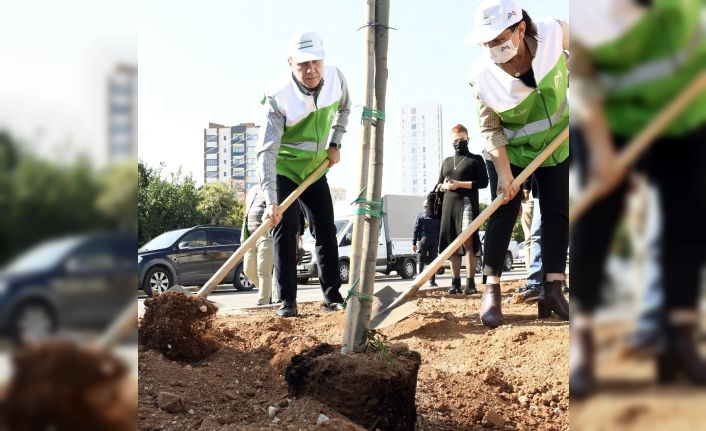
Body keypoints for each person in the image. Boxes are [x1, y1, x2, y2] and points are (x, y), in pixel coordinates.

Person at [570, 0, 706, 396]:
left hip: (683, 111)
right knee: (596, 220)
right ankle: (582, 341)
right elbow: (582, 77)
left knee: (688, 216)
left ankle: (678, 337)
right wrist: (601, 152)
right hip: (611, 118)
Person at [467, 0, 570, 328]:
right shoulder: (482, 77)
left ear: (520, 28)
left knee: (557, 210)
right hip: (508, 151)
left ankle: (552, 288)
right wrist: (504, 174)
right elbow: (489, 130)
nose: (492, 48)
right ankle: (491, 290)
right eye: (487, 43)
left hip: (557, 144)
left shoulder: (553, 33)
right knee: (503, 210)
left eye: (498, 40)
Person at [257, 31, 350, 317]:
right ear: (290, 64)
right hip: (285, 169)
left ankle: (332, 296)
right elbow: (266, 152)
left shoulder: (336, 79)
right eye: (302, 65)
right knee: (284, 229)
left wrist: (335, 143)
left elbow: (345, 109)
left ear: (323, 59)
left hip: (314, 169)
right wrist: (271, 199)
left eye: (315, 62)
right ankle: (287, 301)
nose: (310, 70)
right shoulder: (278, 96)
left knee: (325, 229)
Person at [437, 124, 488, 295]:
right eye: (455, 140)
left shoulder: (476, 159)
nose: (459, 143)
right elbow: (438, 184)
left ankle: (470, 282)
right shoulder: (446, 161)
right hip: (448, 205)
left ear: (468, 139)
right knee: (452, 244)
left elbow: (483, 182)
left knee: (468, 242)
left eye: (462, 139)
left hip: (467, 203)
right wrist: (444, 186)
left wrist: (459, 184)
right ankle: (455, 282)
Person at [242, 184, 279, 306]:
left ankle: (263, 301)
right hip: (250, 236)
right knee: (248, 270)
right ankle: (269, 294)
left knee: (263, 270)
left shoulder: (272, 189)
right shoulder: (252, 190)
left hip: (265, 235)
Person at [412, 201, 441, 287]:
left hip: (423, 240)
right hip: (435, 240)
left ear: (424, 206)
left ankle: (419, 281)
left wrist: (414, 243)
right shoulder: (437, 216)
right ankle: (432, 282)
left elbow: (416, 229)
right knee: (433, 262)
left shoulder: (420, 215)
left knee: (421, 260)